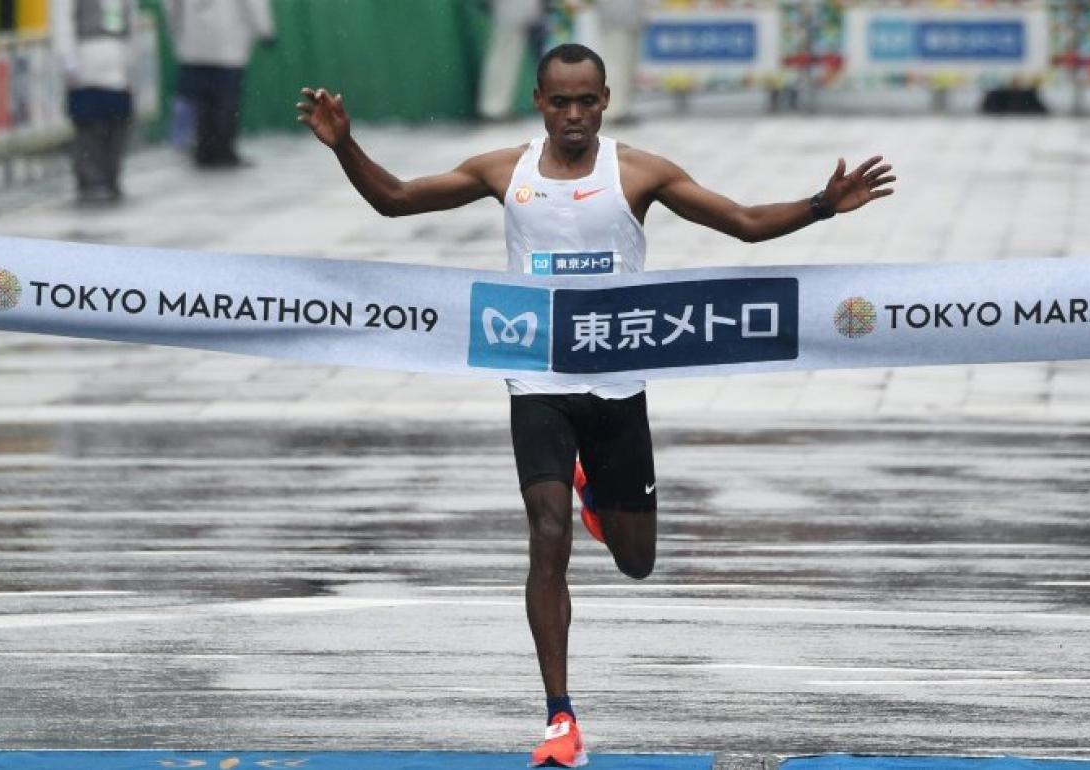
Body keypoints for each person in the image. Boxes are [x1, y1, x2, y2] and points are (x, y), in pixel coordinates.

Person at [297, 43, 894, 768]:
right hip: (536, 381)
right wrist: (345, 144)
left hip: (617, 387)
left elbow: (741, 221)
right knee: (546, 535)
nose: (574, 115)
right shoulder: (503, 171)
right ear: (539, 102)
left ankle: (596, 496)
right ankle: (560, 717)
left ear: (605, 101)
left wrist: (821, 206)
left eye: (587, 101)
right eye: (560, 102)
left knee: (637, 561)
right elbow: (394, 199)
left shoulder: (638, 172)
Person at [165, 0, 274, 168]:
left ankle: (205, 149)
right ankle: (224, 150)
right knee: (226, 102)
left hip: (194, 43)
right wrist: (265, 29)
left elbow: (172, 6)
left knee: (202, 101)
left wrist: (177, 28)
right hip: (228, 44)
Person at [50, 0, 137, 204]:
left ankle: (110, 177)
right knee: (90, 128)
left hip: (117, 62)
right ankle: (92, 180)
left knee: (117, 125)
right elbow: (63, 24)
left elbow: (130, 21)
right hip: (86, 63)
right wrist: (69, 64)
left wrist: (130, 58)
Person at [478, 0, 545, 121]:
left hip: (517, 10)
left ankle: (497, 107)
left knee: (508, 54)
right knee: (503, 54)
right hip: (510, 9)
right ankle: (494, 108)